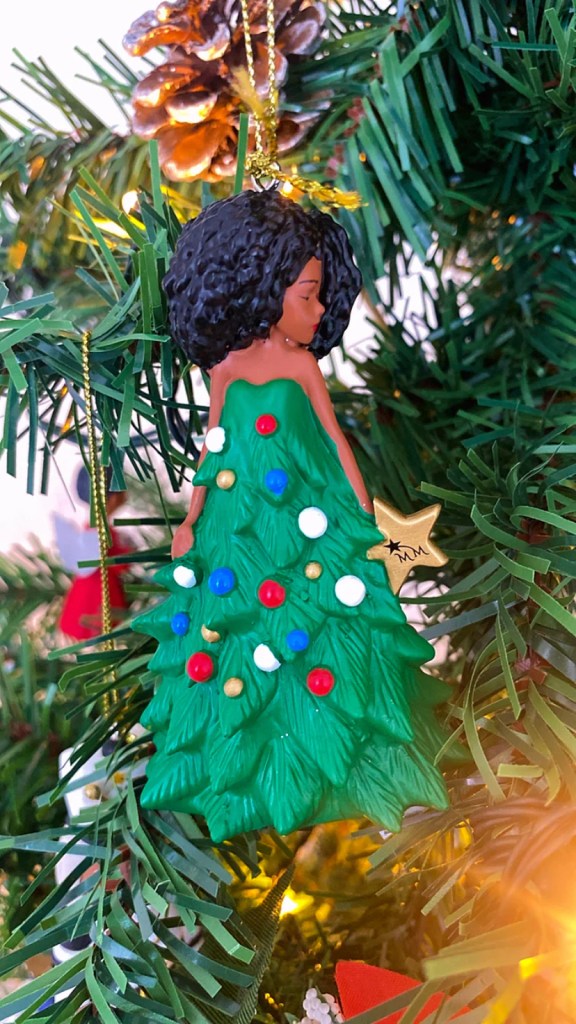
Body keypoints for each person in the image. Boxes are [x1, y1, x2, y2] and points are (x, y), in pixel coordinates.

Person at [134, 189, 451, 841]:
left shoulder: (303, 364)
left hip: (313, 536)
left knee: (329, 638)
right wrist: (191, 520)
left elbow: (334, 441)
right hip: (236, 539)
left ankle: (361, 764)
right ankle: (242, 774)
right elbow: (214, 444)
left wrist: (362, 512)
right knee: (234, 647)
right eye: (308, 294)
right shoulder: (226, 368)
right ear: (262, 287)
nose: (320, 309)